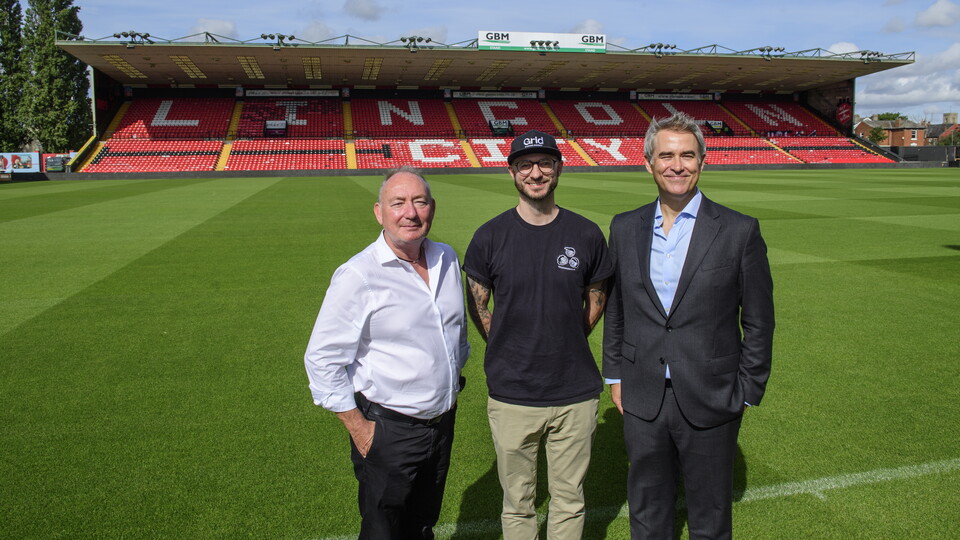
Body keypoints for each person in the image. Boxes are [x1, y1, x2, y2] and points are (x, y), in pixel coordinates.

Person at [602, 112, 775, 540]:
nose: (676, 165)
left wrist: (748, 389)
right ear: (648, 163)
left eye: (687, 155)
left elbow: (758, 319)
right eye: (666, 155)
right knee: (647, 509)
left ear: (702, 161)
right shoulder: (624, 227)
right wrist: (615, 374)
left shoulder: (739, 230)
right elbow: (617, 307)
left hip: (712, 393)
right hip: (642, 392)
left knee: (710, 514)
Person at [304, 166, 470, 539]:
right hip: (388, 430)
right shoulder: (359, 275)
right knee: (383, 530)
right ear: (379, 212)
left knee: (422, 524)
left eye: (419, 202)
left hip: (441, 426)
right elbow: (322, 358)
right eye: (398, 203)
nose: (410, 212)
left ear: (433, 208)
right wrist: (360, 430)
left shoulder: (446, 258)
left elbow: (455, 333)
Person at [463, 130, 614, 539]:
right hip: (513, 393)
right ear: (512, 172)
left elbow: (596, 298)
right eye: (525, 165)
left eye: (545, 163)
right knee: (518, 504)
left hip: (575, 393)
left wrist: (567, 336)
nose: (536, 173)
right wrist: (508, 342)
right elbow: (478, 305)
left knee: (569, 499)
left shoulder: (585, 234)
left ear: (558, 169)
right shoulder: (489, 236)